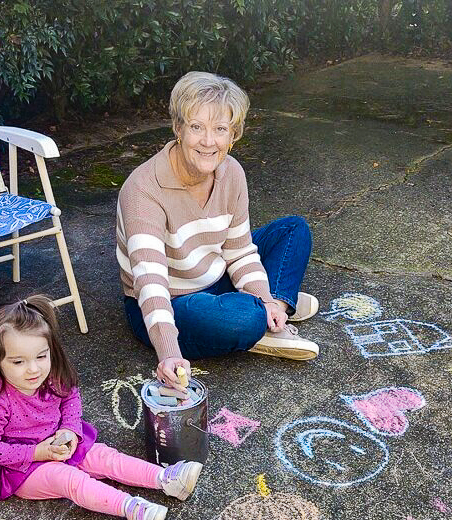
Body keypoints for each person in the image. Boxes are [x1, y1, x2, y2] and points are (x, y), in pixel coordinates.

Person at [117, 71, 320, 391]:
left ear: (233, 135)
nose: (208, 141)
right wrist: (169, 353)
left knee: (293, 230)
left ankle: (273, 310)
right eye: (196, 127)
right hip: (168, 300)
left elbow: (239, 251)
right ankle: (263, 318)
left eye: (220, 129)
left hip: (214, 273)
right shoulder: (143, 189)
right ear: (178, 128)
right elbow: (151, 281)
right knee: (242, 319)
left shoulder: (232, 173)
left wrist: (265, 299)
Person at [0, 295, 203, 520]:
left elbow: (70, 398)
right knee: (68, 479)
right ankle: (132, 509)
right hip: (21, 469)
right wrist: (37, 453)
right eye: (18, 362)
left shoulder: (51, 375)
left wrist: (69, 429)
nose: (33, 369)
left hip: (58, 443)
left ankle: (165, 478)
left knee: (104, 456)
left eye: (41, 356)